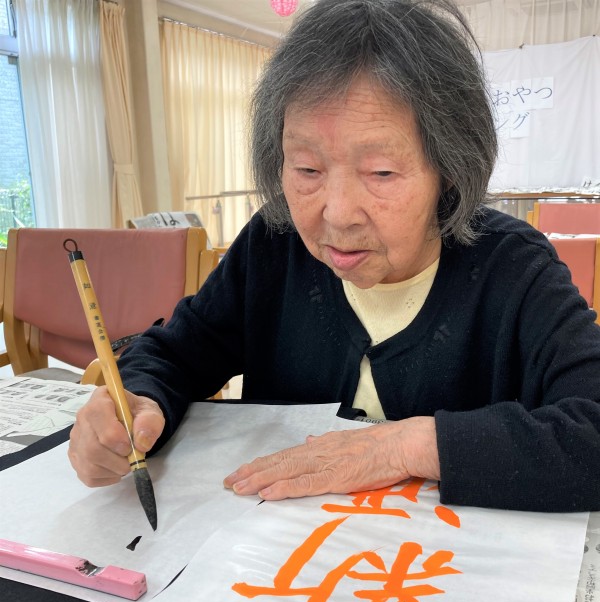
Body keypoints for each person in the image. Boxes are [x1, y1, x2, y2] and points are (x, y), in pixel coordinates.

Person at [69, 0, 600, 512]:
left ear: (450, 169)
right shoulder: (273, 243)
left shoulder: (513, 268)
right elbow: (177, 353)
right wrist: (138, 401)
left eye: (382, 173)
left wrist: (408, 446)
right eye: (307, 169)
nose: (339, 215)